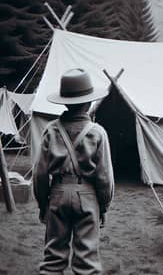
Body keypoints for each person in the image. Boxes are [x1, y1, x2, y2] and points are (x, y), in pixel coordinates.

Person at [33, 68, 114, 275]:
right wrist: (103, 207)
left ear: (65, 102)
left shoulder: (50, 130)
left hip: (58, 194)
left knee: (52, 260)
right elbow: (105, 177)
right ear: (89, 103)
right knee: (87, 262)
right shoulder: (98, 132)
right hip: (87, 197)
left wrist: (43, 204)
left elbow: (40, 174)